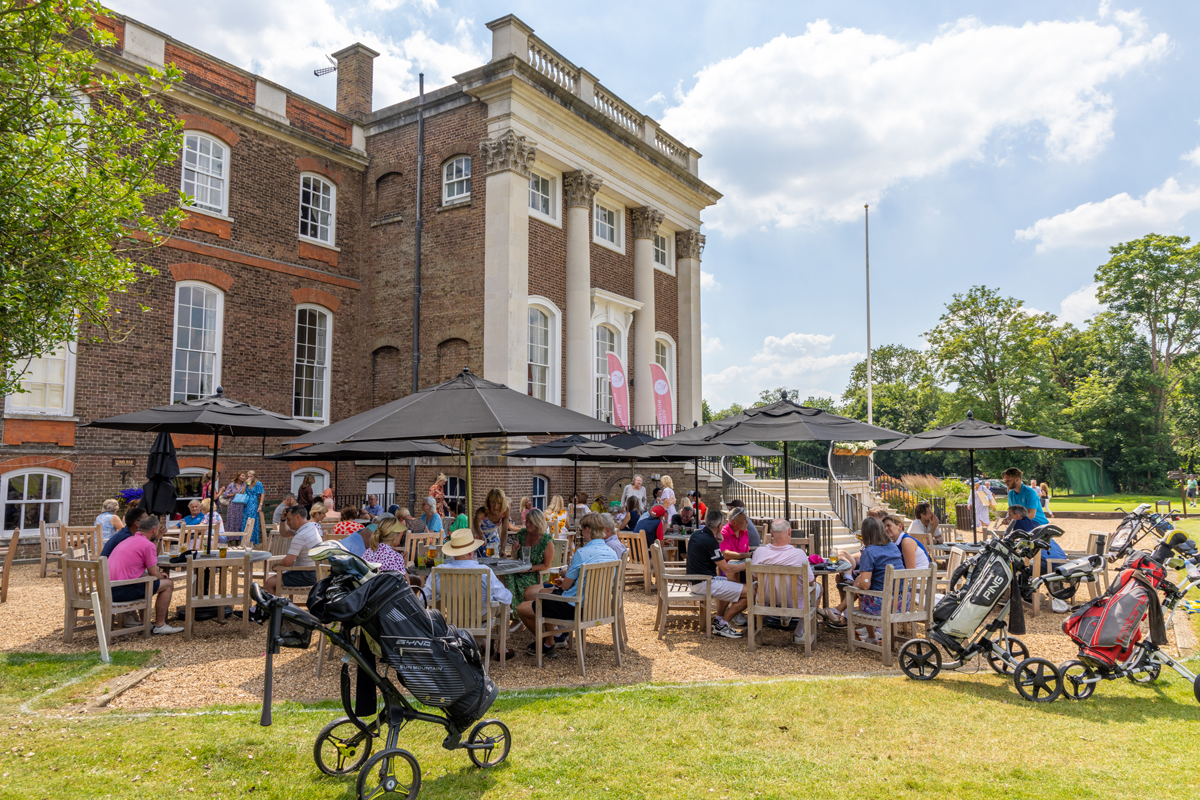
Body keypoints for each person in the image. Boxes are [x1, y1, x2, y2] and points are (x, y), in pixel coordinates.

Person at [516, 513, 615, 657]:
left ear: (587, 529)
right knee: (541, 592)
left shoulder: (582, 553)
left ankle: (546, 641)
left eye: (581, 530)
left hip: (574, 608)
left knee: (522, 608)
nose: (581, 533)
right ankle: (549, 642)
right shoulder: (612, 553)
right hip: (598, 608)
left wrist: (565, 578)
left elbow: (565, 588)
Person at [424, 526, 514, 659]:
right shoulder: (484, 571)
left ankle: (480, 642)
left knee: (438, 600)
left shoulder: (438, 572)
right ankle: (501, 649)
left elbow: (424, 598)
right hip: (480, 617)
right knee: (504, 605)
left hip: (451, 618)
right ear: (471, 553)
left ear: (452, 552)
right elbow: (506, 599)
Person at [108, 515, 182, 635]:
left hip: (109, 589)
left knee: (148, 580)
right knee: (168, 584)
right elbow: (153, 572)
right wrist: (160, 576)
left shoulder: (128, 540)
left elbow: (134, 571)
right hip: (121, 591)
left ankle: (144, 622)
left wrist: (157, 576)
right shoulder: (147, 545)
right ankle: (160, 625)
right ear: (154, 530)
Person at [750, 518, 822, 643]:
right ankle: (799, 633)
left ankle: (784, 616)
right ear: (789, 532)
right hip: (792, 601)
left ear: (771, 533)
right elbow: (810, 582)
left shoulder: (759, 552)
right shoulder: (799, 554)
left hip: (766, 600)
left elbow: (755, 577)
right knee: (818, 587)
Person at [685, 507, 748, 638]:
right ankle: (723, 624)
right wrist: (748, 565)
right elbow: (727, 568)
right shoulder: (710, 541)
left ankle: (719, 619)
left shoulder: (697, 534)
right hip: (705, 583)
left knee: (733, 582)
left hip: (695, 581)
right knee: (751, 592)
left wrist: (718, 537)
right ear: (720, 525)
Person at [849, 516, 905, 644]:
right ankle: (885, 637)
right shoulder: (893, 546)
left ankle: (872, 637)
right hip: (903, 602)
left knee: (862, 594)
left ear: (865, 533)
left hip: (883, 605)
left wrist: (857, 583)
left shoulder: (869, 551)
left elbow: (865, 585)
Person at [503, 508, 556, 622]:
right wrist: (514, 551)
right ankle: (516, 613)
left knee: (513, 580)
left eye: (530, 522)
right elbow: (516, 557)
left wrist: (529, 569)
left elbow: (546, 565)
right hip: (522, 569)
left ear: (537, 523)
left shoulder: (546, 540)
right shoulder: (522, 534)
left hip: (537, 573)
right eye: (526, 521)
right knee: (504, 576)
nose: (526, 524)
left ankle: (519, 614)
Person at [264, 505, 321, 594]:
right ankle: (274, 604)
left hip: (306, 574)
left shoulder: (301, 536)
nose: (288, 523)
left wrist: (275, 564)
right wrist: (282, 520)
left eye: (289, 519)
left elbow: (287, 562)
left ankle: (271, 607)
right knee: (276, 579)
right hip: (316, 572)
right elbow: (285, 533)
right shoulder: (310, 527)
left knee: (269, 583)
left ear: (297, 517)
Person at [474, 489, 517, 557]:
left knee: (493, 563)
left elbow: (504, 532)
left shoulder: (505, 510)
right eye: (493, 502)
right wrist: (481, 536)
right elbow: (476, 525)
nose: (495, 506)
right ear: (488, 502)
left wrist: (502, 549)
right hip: (480, 541)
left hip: (494, 541)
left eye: (499, 503)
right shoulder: (481, 511)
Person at [242, 470, 266, 544]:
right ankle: (244, 540)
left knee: (252, 521)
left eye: (251, 476)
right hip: (246, 504)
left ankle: (251, 541)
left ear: (254, 476)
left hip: (253, 503)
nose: (249, 478)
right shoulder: (247, 483)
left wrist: (260, 505)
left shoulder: (258, 483)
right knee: (245, 521)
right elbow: (242, 493)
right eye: (248, 476)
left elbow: (262, 494)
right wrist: (245, 484)